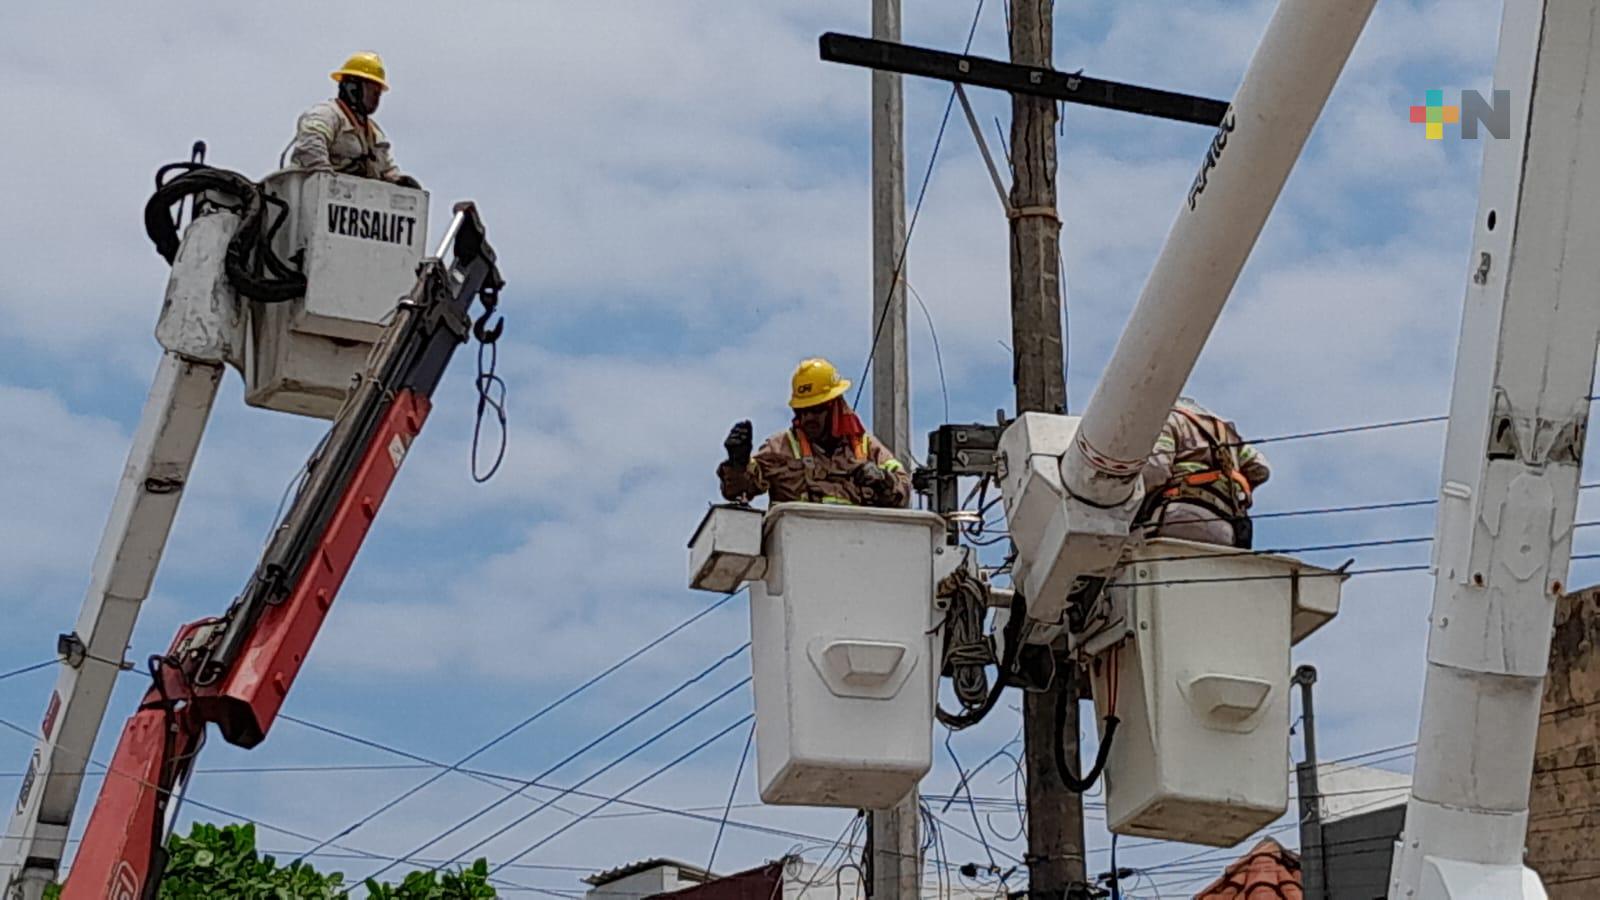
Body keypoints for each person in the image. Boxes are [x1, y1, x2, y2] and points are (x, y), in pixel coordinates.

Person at [719, 358, 911, 508]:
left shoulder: (865, 448)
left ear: (835, 406)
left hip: (859, 548)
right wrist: (738, 462)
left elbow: (903, 489)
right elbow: (738, 490)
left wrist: (883, 479)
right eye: (801, 411)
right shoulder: (781, 447)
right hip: (799, 549)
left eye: (817, 409)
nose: (808, 418)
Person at [1137, 396, 1270, 548]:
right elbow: (1261, 468)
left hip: (1177, 516)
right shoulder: (1223, 432)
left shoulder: (1169, 420)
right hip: (1225, 528)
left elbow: (1156, 470)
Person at [285, 52, 420, 188]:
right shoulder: (326, 115)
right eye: (373, 91)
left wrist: (399, 182)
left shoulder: (374, 133)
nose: (376, 98)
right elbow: (311, 148)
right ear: (353, 88)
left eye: (378, 93)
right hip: (315, 198)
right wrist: (328, 184)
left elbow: (386, 169)